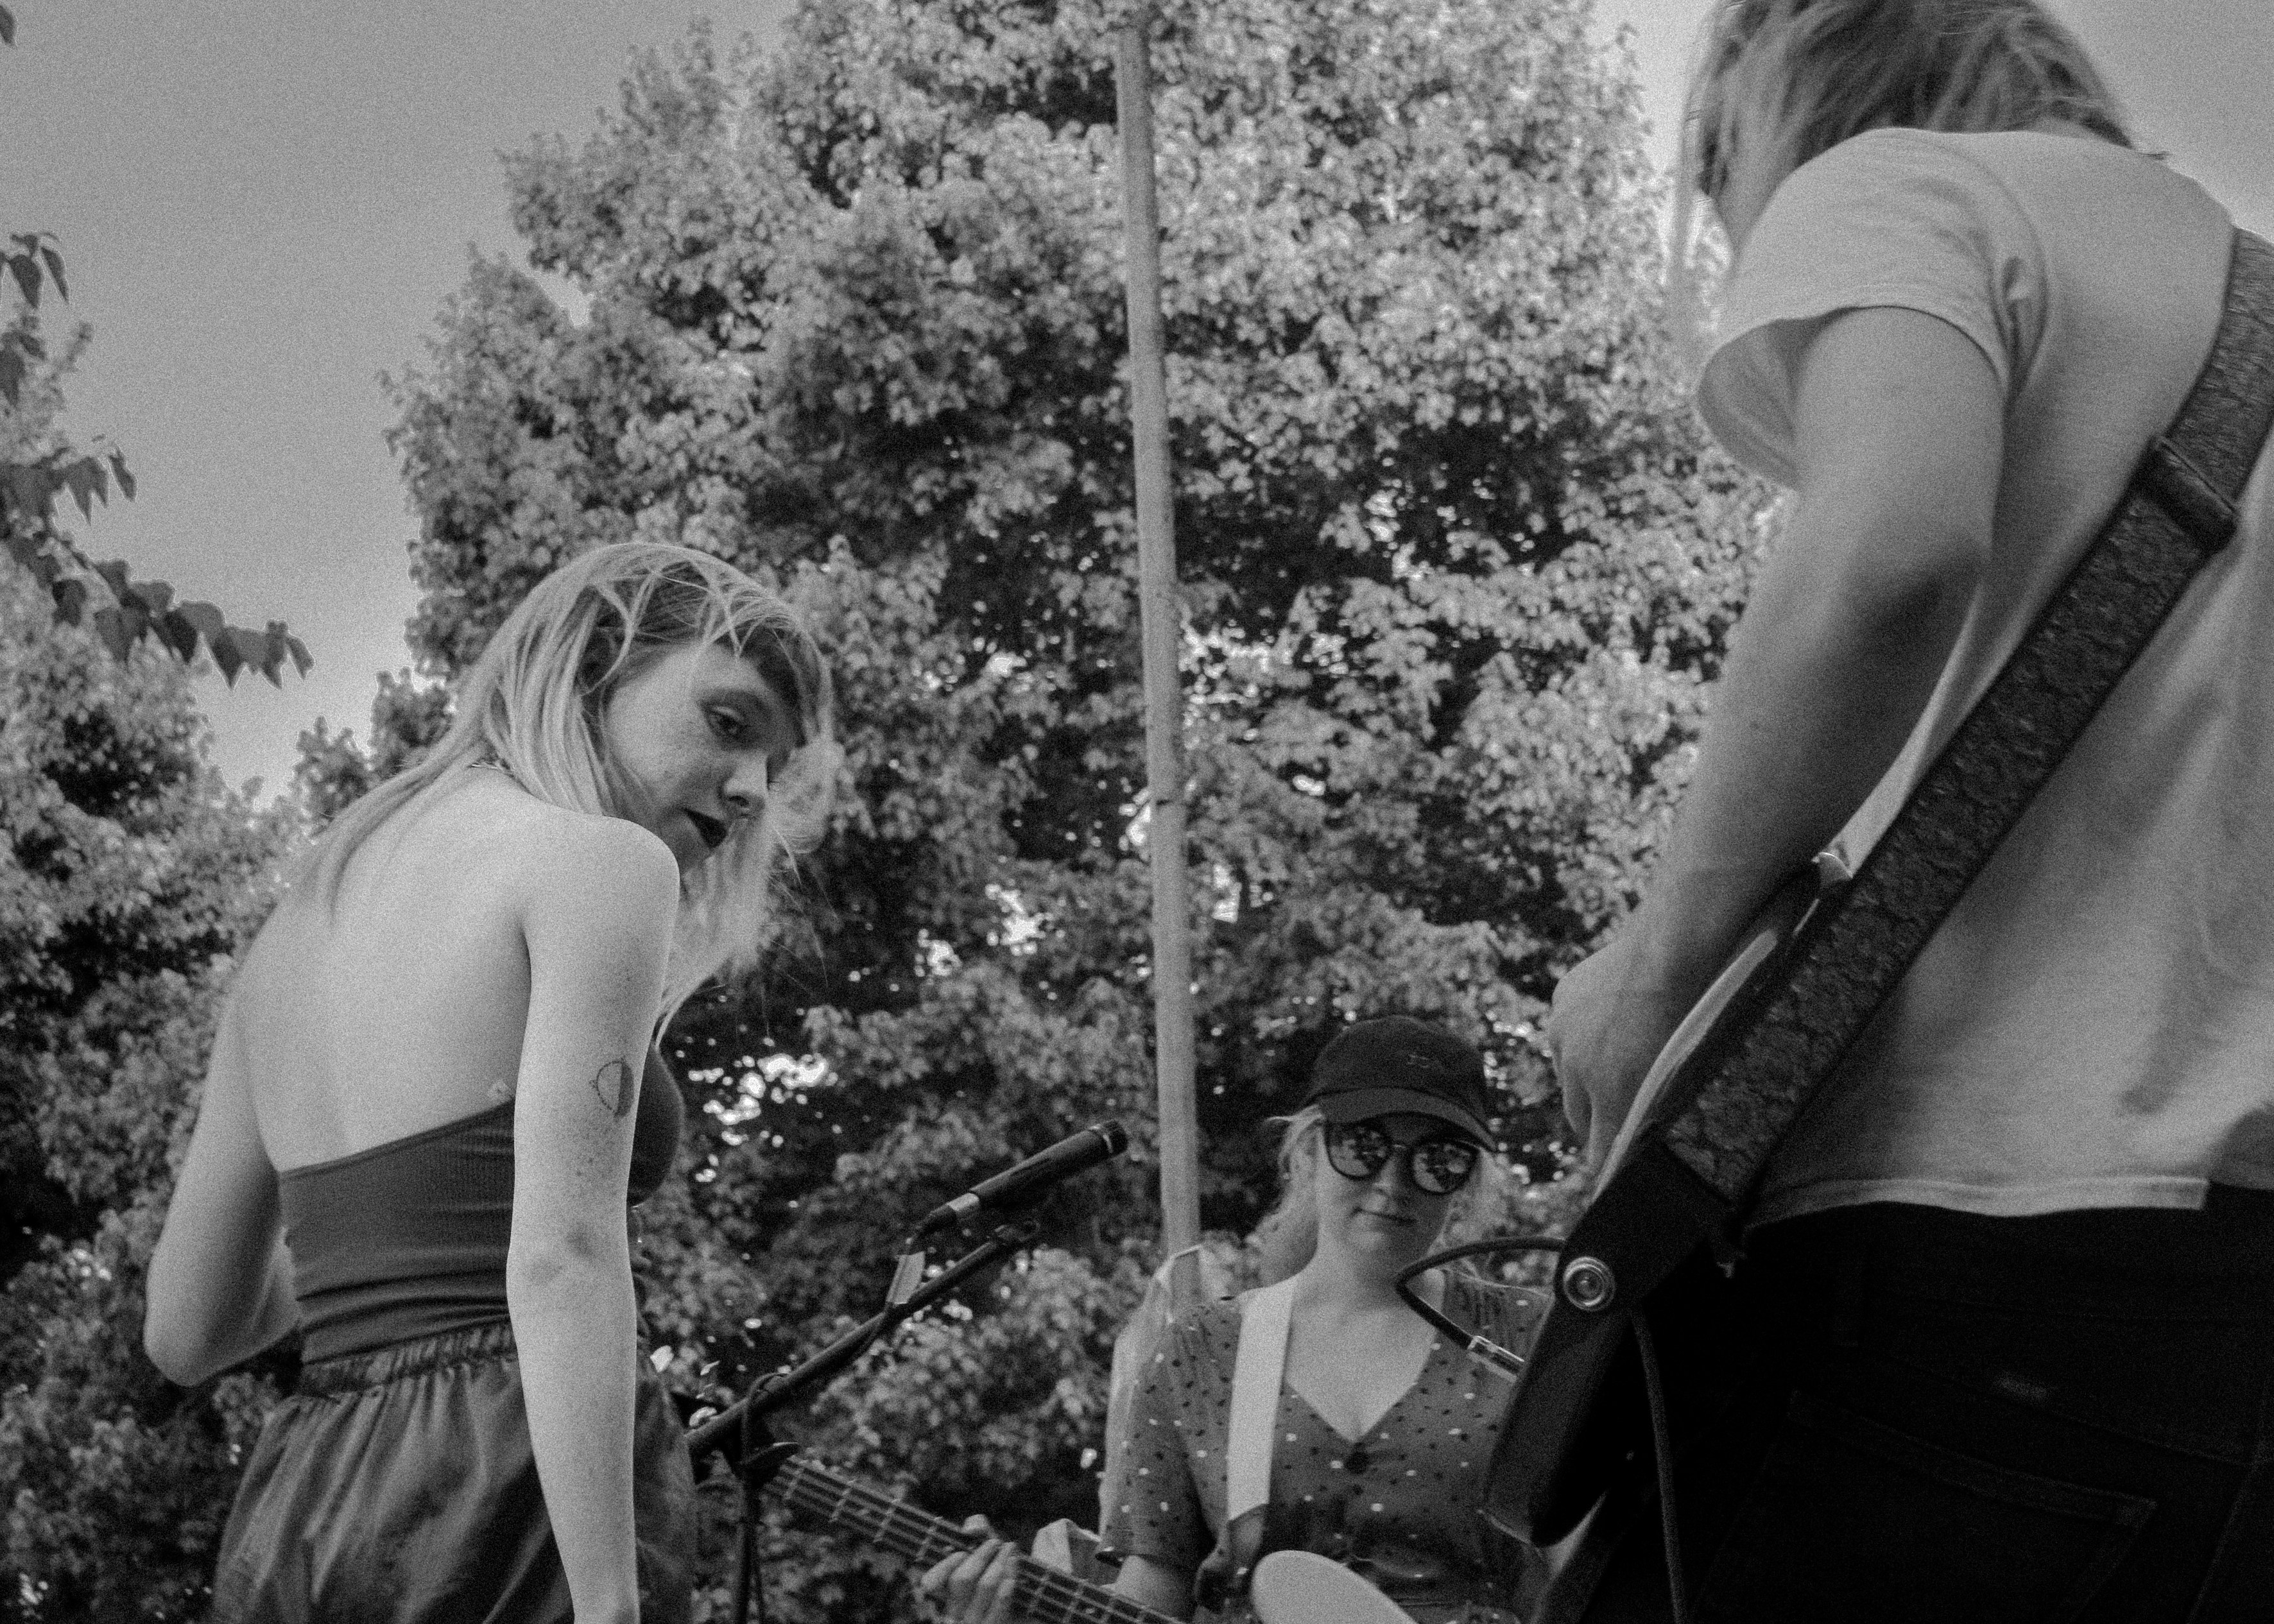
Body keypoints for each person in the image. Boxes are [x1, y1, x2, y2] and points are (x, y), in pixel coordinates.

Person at [1548, 2, 2274, 1618]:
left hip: (1959, 1267)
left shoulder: (1909, 186)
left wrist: (1654, 971)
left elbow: (1890, 552)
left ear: (1767, 103)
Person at [143, 542, 836, 1623]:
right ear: (598, 660)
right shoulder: (600, 866)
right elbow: (562, 1259)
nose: (750, 790)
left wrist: (380, 1251)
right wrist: (608, 1603)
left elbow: (186, 1330)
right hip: (503, 1486)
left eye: (772, 767)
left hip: (304, 1504)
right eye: (729, 723)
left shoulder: (294, 928)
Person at [922, 1016, 1545, 1624]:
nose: (1392, 1181)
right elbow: (1152, 1593)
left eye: (1438, 1159)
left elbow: (1601, 1568)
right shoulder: (1204, 1350)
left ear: (1467, 1180)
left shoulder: (1531, 1334)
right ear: (1308, 1150)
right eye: (1364, 1144)